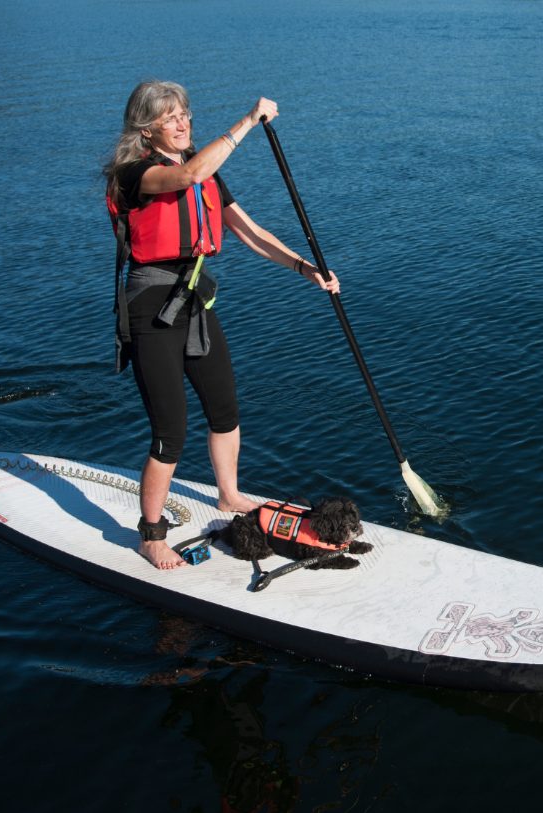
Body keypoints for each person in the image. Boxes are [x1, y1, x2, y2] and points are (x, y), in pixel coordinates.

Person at [104, 81, 339, 570]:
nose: (183, 122)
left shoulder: (208, 177)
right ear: (147, 130)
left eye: (185, 113)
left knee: (225, 410)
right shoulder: (134, 174)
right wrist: (248, 120)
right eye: (169, 117)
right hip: (151, 306)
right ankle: (150, 535)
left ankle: (229, 494)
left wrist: (305, 268)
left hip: (194, 302)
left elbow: (251, 233)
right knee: (171, 431)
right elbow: (189, 172)